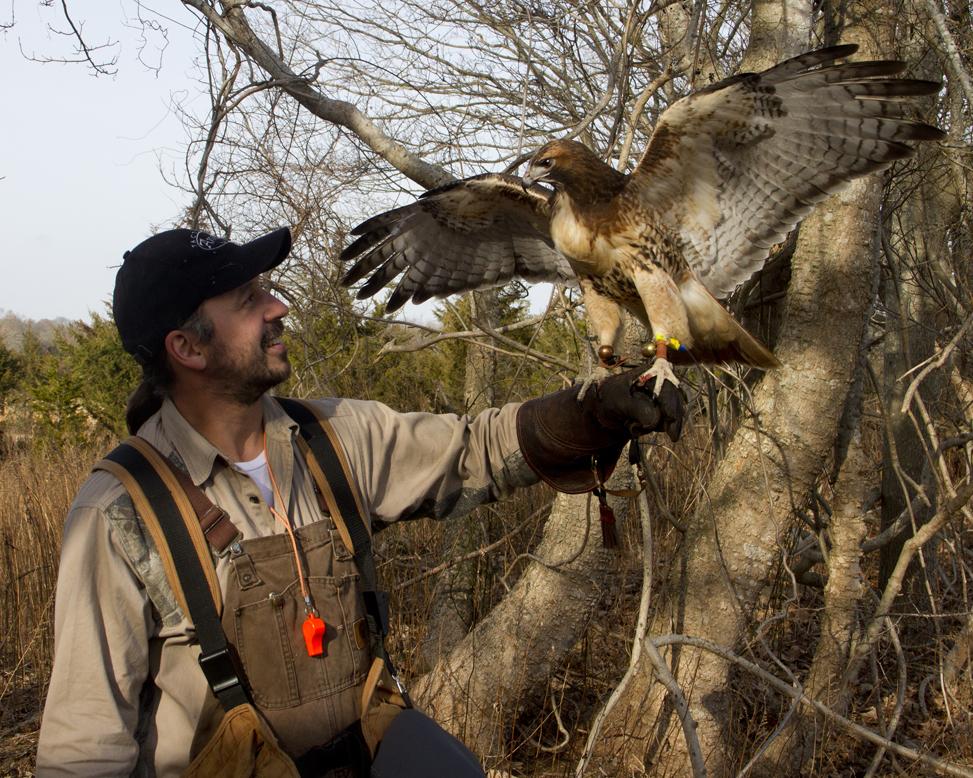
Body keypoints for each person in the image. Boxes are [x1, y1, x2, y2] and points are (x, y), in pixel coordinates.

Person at [35, 226, 682, 777]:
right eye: (248, 298)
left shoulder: (334, 438)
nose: (278, 306)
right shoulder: (118, 511)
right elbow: (86, 742)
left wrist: (590, 413)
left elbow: (471, 450)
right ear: (188, 347)